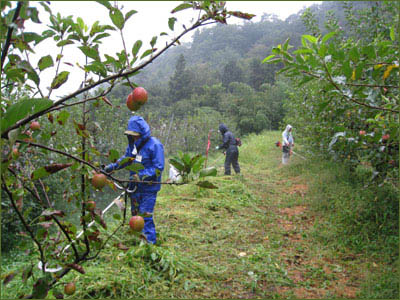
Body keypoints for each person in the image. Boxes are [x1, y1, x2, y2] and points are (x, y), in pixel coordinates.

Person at [104, 115, 164, 244]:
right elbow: (126, 159)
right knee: (135, 216)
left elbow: (158, 167)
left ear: (143, 132)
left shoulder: (155, 145)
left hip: (149, 188)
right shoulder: (133, 146)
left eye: (136, 134)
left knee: (145, 216)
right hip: (135, 188)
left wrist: (141, 176)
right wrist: (110, 167)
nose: (134, 137)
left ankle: (149, 245)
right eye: (132, 135)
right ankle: (139, 240)